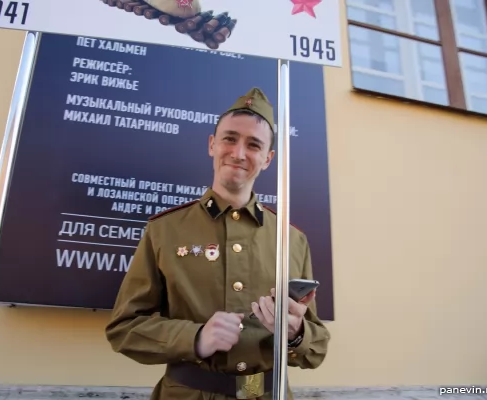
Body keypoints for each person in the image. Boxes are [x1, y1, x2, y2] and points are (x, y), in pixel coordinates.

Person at [105, 87, 331, 400]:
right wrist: (194, 337)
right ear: (212, 144)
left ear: (268, 159)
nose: (239, 153)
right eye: (230, 138)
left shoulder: (291, 240)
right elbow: (124, 328)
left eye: (254, 145)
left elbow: (316, 346)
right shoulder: (164, 230)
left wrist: (296, 333)